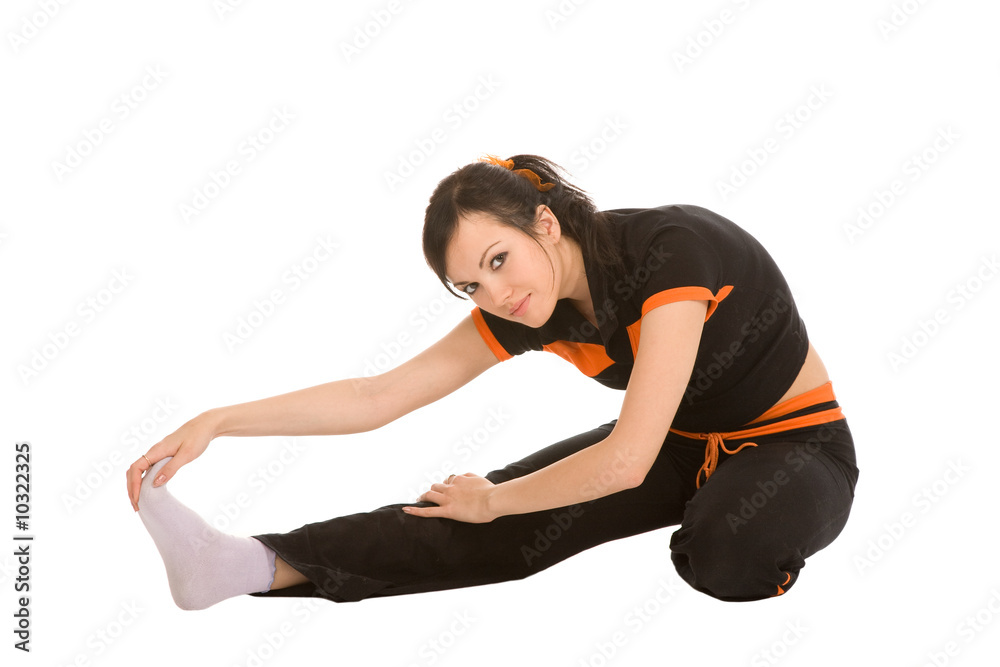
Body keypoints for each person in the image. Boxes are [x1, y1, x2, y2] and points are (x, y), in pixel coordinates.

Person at [126, 154, 859, 610]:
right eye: (470, 284)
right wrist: (217, 420)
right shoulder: (530, 304)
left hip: (796, 445)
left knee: (725, 548)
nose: (494, 294)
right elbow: (377, 396)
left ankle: (733, 521)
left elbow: (625, 462)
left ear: (546, 223)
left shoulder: (672, 252)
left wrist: (495, 498)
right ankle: (247, 563)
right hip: (676, 443)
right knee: (489, 522)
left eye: (499, 259)